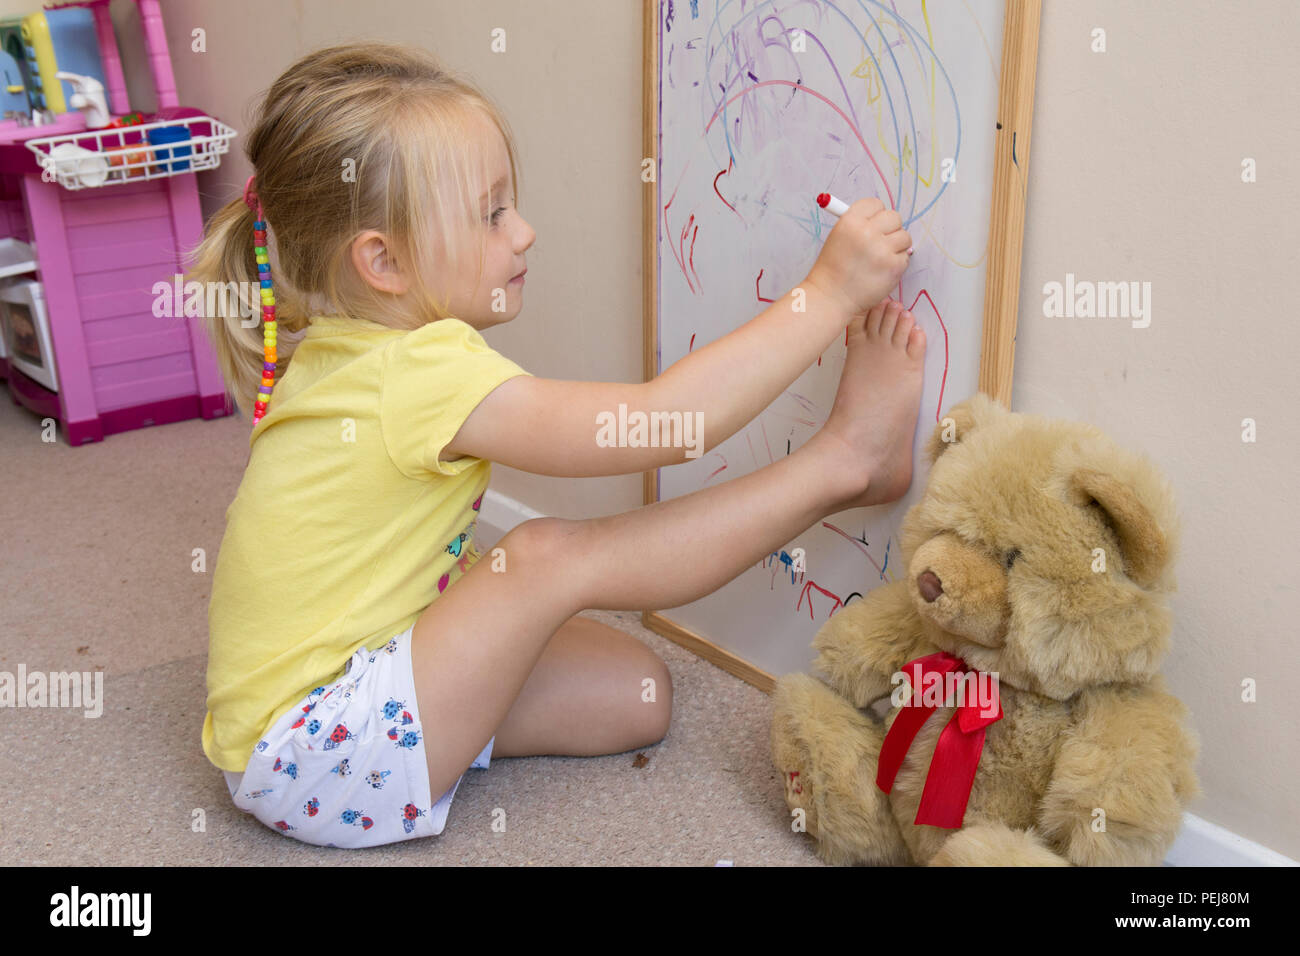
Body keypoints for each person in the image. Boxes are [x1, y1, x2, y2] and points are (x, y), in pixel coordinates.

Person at [188, 41, 925, 849]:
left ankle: (426, 727)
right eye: (492, 213)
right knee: (544, 556)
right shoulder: (415, 370)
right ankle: (846, 461)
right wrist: (825, 295)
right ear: (384, 261)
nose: (525, 232)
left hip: (326, 701)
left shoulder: (345, 343)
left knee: (638, 695)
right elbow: (666, 423)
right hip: (310, 753)